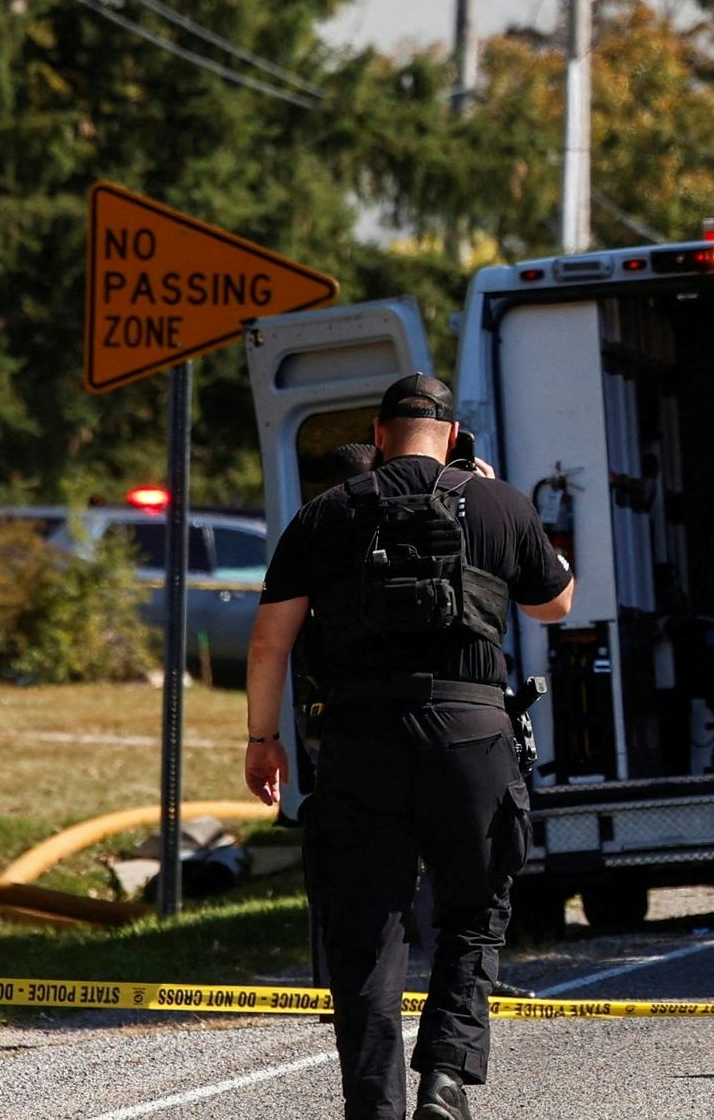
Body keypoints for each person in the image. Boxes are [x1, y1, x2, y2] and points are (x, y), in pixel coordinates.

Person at [247, 374, 576, 1120]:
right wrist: (499, 500)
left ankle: (375, 1108)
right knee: (474, 909)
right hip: (471, 738)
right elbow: (555, 602)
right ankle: (447, 1077)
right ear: (454, 435)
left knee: (365, 935)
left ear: (379, 428)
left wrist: (263, 742)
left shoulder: (324, 514)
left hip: (362, 743)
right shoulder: (497, 503)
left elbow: (271, 641)